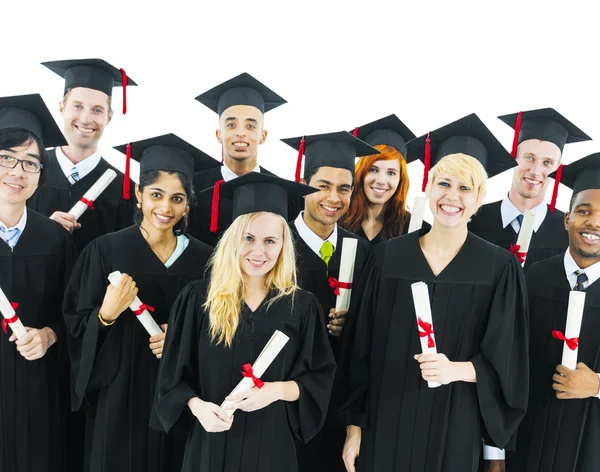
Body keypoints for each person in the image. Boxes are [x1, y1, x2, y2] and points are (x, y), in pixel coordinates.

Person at [340, 114, 528, 472]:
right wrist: (354, 427)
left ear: (478, 200)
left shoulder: (499, 268)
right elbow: (358, 350)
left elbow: (508, 363)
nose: (451, 197)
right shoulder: (387, 258)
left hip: (455, 423)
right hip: (385, 418)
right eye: (443, 184)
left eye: (464, 188)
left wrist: (455, 369)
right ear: (428, 188)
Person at [153, 172, 336, 472]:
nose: (258, 251)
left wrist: (274, 390)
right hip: (209, 445)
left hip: (272, 448)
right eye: (248, 238)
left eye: (270, 241)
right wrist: (198, 408)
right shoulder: (198, 299)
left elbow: (318, 380)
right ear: (232, 240)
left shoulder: (301, 307)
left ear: (282, 246)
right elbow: (172, 379)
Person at [62, 134, 214, 472]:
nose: (165, 208)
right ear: (139, 196)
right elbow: (74, 324)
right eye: (156, 195)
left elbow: (219, 324)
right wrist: (106, 314)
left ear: (188, 205)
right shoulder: (106, 250)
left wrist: (181, 336)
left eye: (177, 199)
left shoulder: (206, 260)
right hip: (119, 389)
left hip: (180, 390)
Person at [281, 131, 375, 472]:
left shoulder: (363, 253)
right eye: (322, 185)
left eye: (344, 188)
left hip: (339, 402)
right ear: (303, 183)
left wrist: (354, 324)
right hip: (284, 400)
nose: (333, 197)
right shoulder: (274, 248)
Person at [0, 93, 77, 472]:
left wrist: (49, 335)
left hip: (38, 394)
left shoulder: (55, 239)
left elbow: (74, 314)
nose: (17, 171)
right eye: (5, 158)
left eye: (30, 163)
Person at [514, 152, 600, 470]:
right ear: (567, 218)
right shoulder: (529, 277)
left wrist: (598, 385)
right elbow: (503, 362)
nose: (594, 222)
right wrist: (494, 454)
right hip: (527, 442)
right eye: (584, 210)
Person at [28, 58, 138, 253]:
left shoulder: (124, 190)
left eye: (97, 110)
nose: (86, 119)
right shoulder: (28, 170)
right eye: (77, 106)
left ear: (109, 117)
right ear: (62, 108)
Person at [469, 108, 592, 270]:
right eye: (529, 158)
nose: (535, 171)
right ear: (514, 157)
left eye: (547, 162)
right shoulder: (473, 220)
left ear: (558, 169)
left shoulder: (569, 233)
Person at [188, 72, 289, 246]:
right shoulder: (194, 186)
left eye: (250, 126)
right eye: (231, 125)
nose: (240, 132)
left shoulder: (279, 190)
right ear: (219, 134)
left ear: (263, 136)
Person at [340, 114, 418, 244]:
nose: (381, 180)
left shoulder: (412, 228)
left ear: (401, 179)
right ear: (361, 173)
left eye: (391, 173)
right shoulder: (338, 216)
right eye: (373, 169)